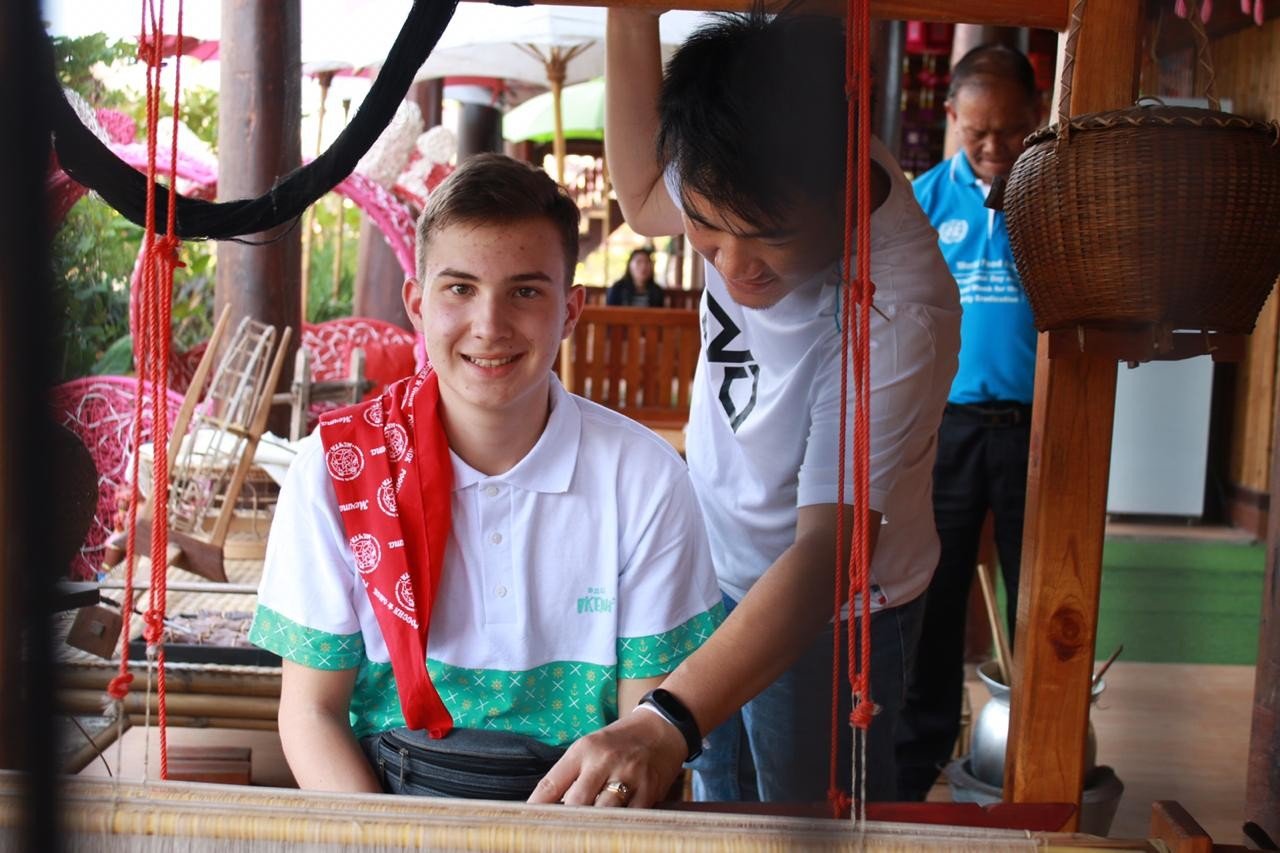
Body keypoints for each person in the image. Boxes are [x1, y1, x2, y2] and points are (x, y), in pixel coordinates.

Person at [529, 10, 960, 807]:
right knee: (719, 796)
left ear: (842, 190)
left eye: (765, 239)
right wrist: (633, 15)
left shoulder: (895, 311)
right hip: (717, 568)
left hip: (834, 614)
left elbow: (830, 550)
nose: (733, 267)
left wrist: (666, 716)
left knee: (801, 817)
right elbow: (641, 198)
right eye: (706, 233)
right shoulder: (733, 159)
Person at [249, 153, 724, 803]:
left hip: (581, 822)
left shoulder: (645, 480)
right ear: (417, 305)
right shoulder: (337, 469)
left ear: (570, 311)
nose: (490, 326)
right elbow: (311, 712)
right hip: (384, 815)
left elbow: (640, 739)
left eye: (525, 292)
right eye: (459, 289)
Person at [894, 44, 1042, 802]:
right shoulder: (920, 200)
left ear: (1036, 118)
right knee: (937, 588)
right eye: (978, 131)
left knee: (1038, 591)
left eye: (1010, 130)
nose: (993, 147)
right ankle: (916, 760)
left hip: (1035, 429)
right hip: (945, 426)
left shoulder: (1054, 195)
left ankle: (1037, 751)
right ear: (952, 117)